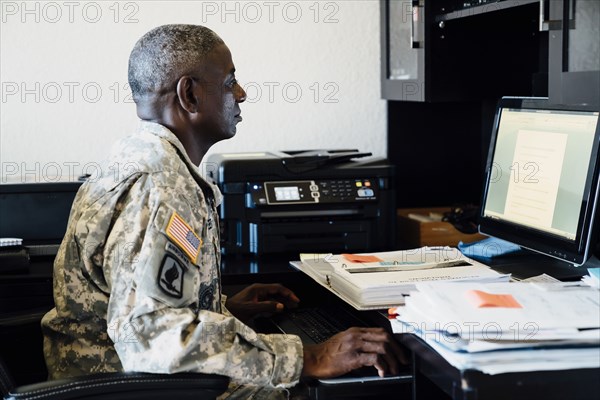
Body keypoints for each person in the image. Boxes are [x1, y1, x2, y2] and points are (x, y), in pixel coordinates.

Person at [41, 24, 406, 398]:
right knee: (340, 389)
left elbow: (143, 306)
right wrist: (309, 357)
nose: (241, 94)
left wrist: (220, 308)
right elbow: (153, 340)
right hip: (134, 389)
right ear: (190, 94)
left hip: (123, 381)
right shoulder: (161, 186)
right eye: (230, 82)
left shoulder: (135, 156)